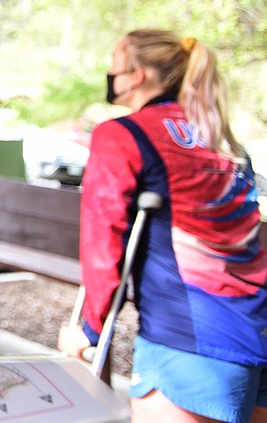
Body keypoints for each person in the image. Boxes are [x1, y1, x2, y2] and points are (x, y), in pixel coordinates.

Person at [59, 30, 267, 423]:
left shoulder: (123, 135)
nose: (108, 72)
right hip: (255, 329)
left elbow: (104, 247)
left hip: (188, 343)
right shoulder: (225, 142)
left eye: (113, 63)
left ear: (137, 74)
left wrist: (88, 330)